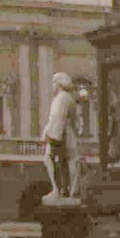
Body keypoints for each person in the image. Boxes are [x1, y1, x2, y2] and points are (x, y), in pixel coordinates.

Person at [41, 72, 80, 200]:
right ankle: (66, 190)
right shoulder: (69, 98)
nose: (52, 86)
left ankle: (56, 189)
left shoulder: (61, 98)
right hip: (68, 133)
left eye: (54, 82)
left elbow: (57, 118)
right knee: (65, 162)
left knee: (49, 158)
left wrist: (47, 134)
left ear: (58, 84)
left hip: (60, 133)